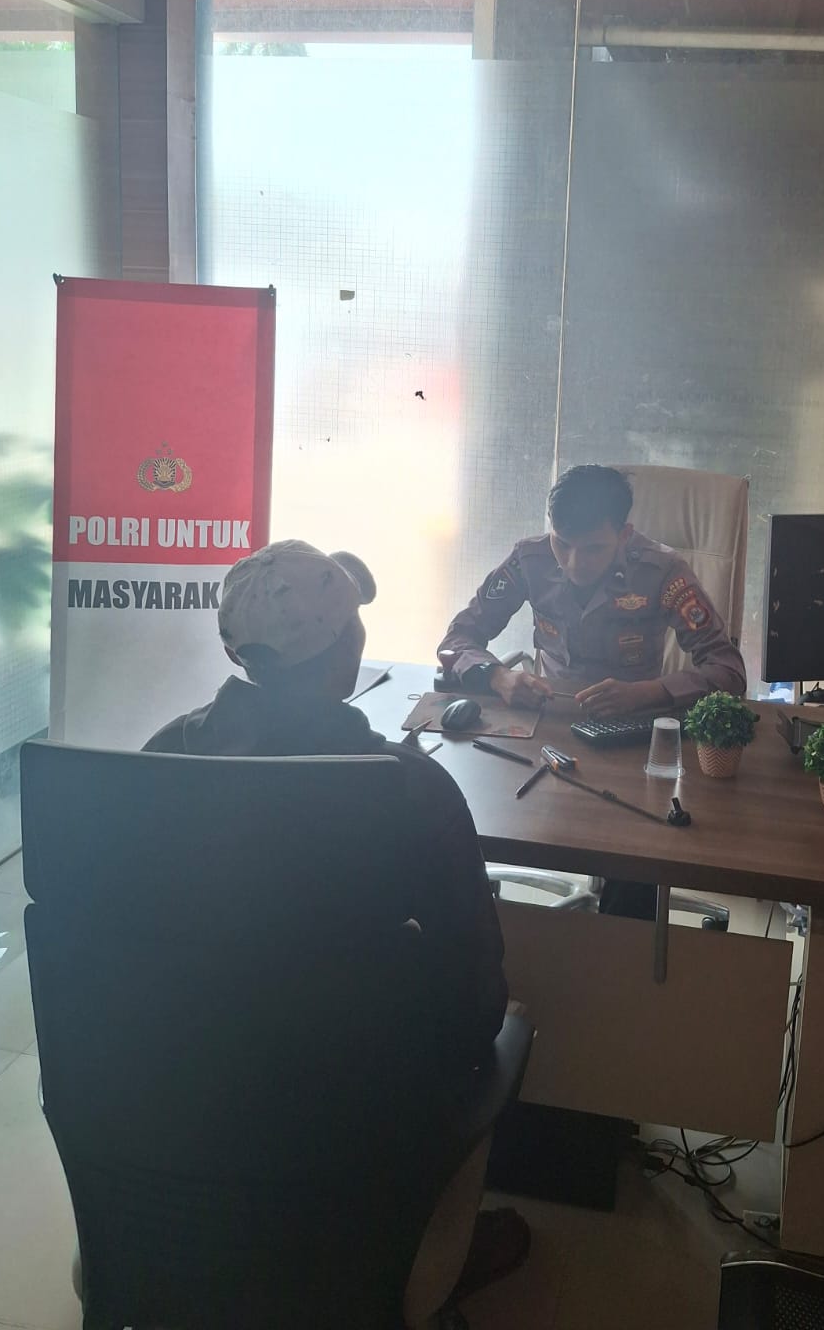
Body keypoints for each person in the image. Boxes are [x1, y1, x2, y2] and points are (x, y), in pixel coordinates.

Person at [145, 539, 527, 1324]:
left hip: (183, 1121)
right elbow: (479, 1003)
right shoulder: (408, 791)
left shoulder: (162, 757)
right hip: (356, 1151)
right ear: (349, 648)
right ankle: (427, 1246)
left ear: (236, 650)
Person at [438, 464, 747, 714]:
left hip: (632, 719)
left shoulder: (663, 571)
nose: (574, 563)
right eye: (562, 544)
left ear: (624, 535)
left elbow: (729, 670)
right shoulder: (529, 560)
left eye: (594, 549)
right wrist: (497, 676)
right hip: (549, 714)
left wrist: (649, 693)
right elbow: (457, 639)